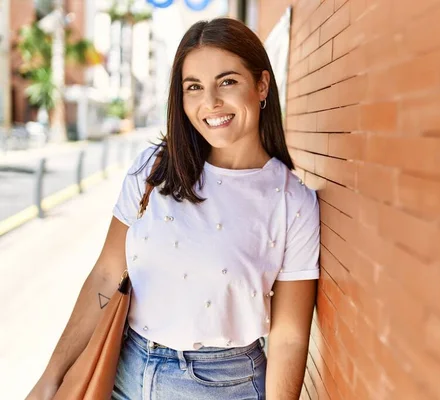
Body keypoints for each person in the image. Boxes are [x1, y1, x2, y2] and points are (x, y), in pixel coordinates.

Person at [26, 17, 320, 400]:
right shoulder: (155, 168)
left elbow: (290, 338)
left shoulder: (291, 201)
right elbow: (105, 276)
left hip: (222, 386)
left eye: (227, 81)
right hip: (122, 371)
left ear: (262, 84)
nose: (210, 102)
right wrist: (52, 376)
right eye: (193, 87)